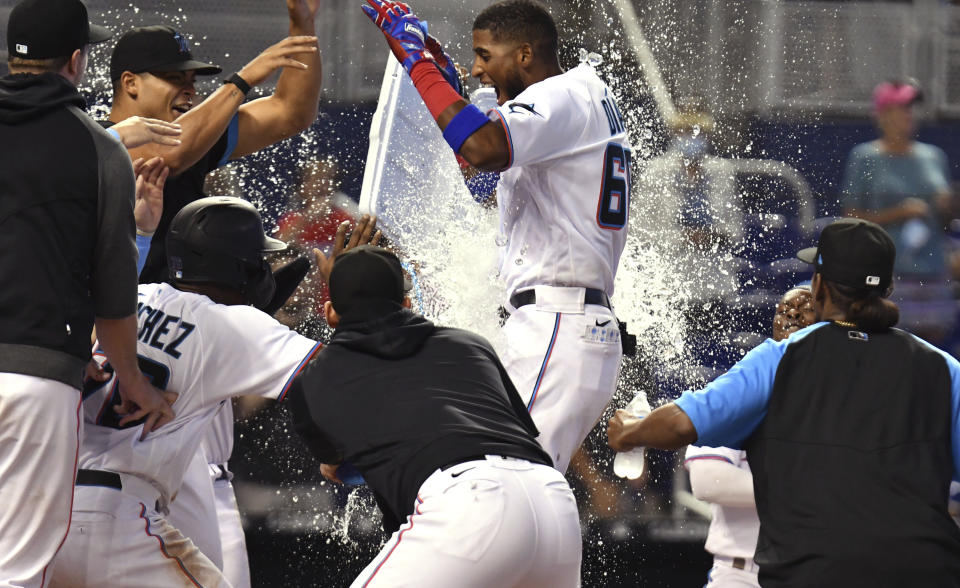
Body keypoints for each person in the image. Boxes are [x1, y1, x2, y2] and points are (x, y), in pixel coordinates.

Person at [608, 218, 960, 587]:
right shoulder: (942, 368)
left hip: (815, 572)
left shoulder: (783, 358)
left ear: (819, 284)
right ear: (887, 287)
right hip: (928, 570)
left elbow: (680, 423)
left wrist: (630, 433)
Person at [47, 198, 379, 587]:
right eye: (259, 258)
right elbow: (344, 376)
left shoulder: (134, 295)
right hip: (117, 515)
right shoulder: (232, 324)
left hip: (47, 503)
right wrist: (353, 298)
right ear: (239, 267)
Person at [363, 0, 630, 473]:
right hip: (561, 321)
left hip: (558, 319)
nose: (477, 67)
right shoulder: (580, 93)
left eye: (485, 55)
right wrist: (438, 79)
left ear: (524, 54)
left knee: (502, 482)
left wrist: (418, 62)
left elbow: (482, 148)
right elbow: (481, 178)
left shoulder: (561, 94)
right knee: (518, 492)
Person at [0, 1, 176, 584]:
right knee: (17, 569)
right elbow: (113, 289)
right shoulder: (100, 151)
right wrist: (132, 381)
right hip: (36, 378)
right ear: (76, 61)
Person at [287, 245, 582, 587]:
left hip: (467, 505)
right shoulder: (472, 344)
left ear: (329, 314)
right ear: (407, 304)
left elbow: (337, 465)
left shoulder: (314, 378)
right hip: (552, 502)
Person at [106, 0, 323, 284]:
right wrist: (241, 82)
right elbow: (168, 154)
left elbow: (291, 113)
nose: (190, 91)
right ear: (130, 83)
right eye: (174, 78)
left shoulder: (195, 140)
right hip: (113, 316)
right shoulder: (98, 139)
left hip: (179, 316)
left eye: (192, 81)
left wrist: (302, 26)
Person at [683, 285, 813, 588]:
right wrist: (808, 493)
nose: (791, 314)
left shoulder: (841, 396)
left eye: (806, 309)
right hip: (743, 574)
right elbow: (706, 480)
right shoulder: (741, 388)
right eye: (783, 309)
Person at [842, 79, 956, 345]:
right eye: (900, 108)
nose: (908, 114)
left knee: (932, 357)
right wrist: (898, 213)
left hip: (933, 272)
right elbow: (851, 216)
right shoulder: (864, 157)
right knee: (887, 350)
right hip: (888, 276)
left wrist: (946, 206)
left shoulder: (934, 156)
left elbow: (945, 218)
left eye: (910, 108)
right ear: (882, 115)